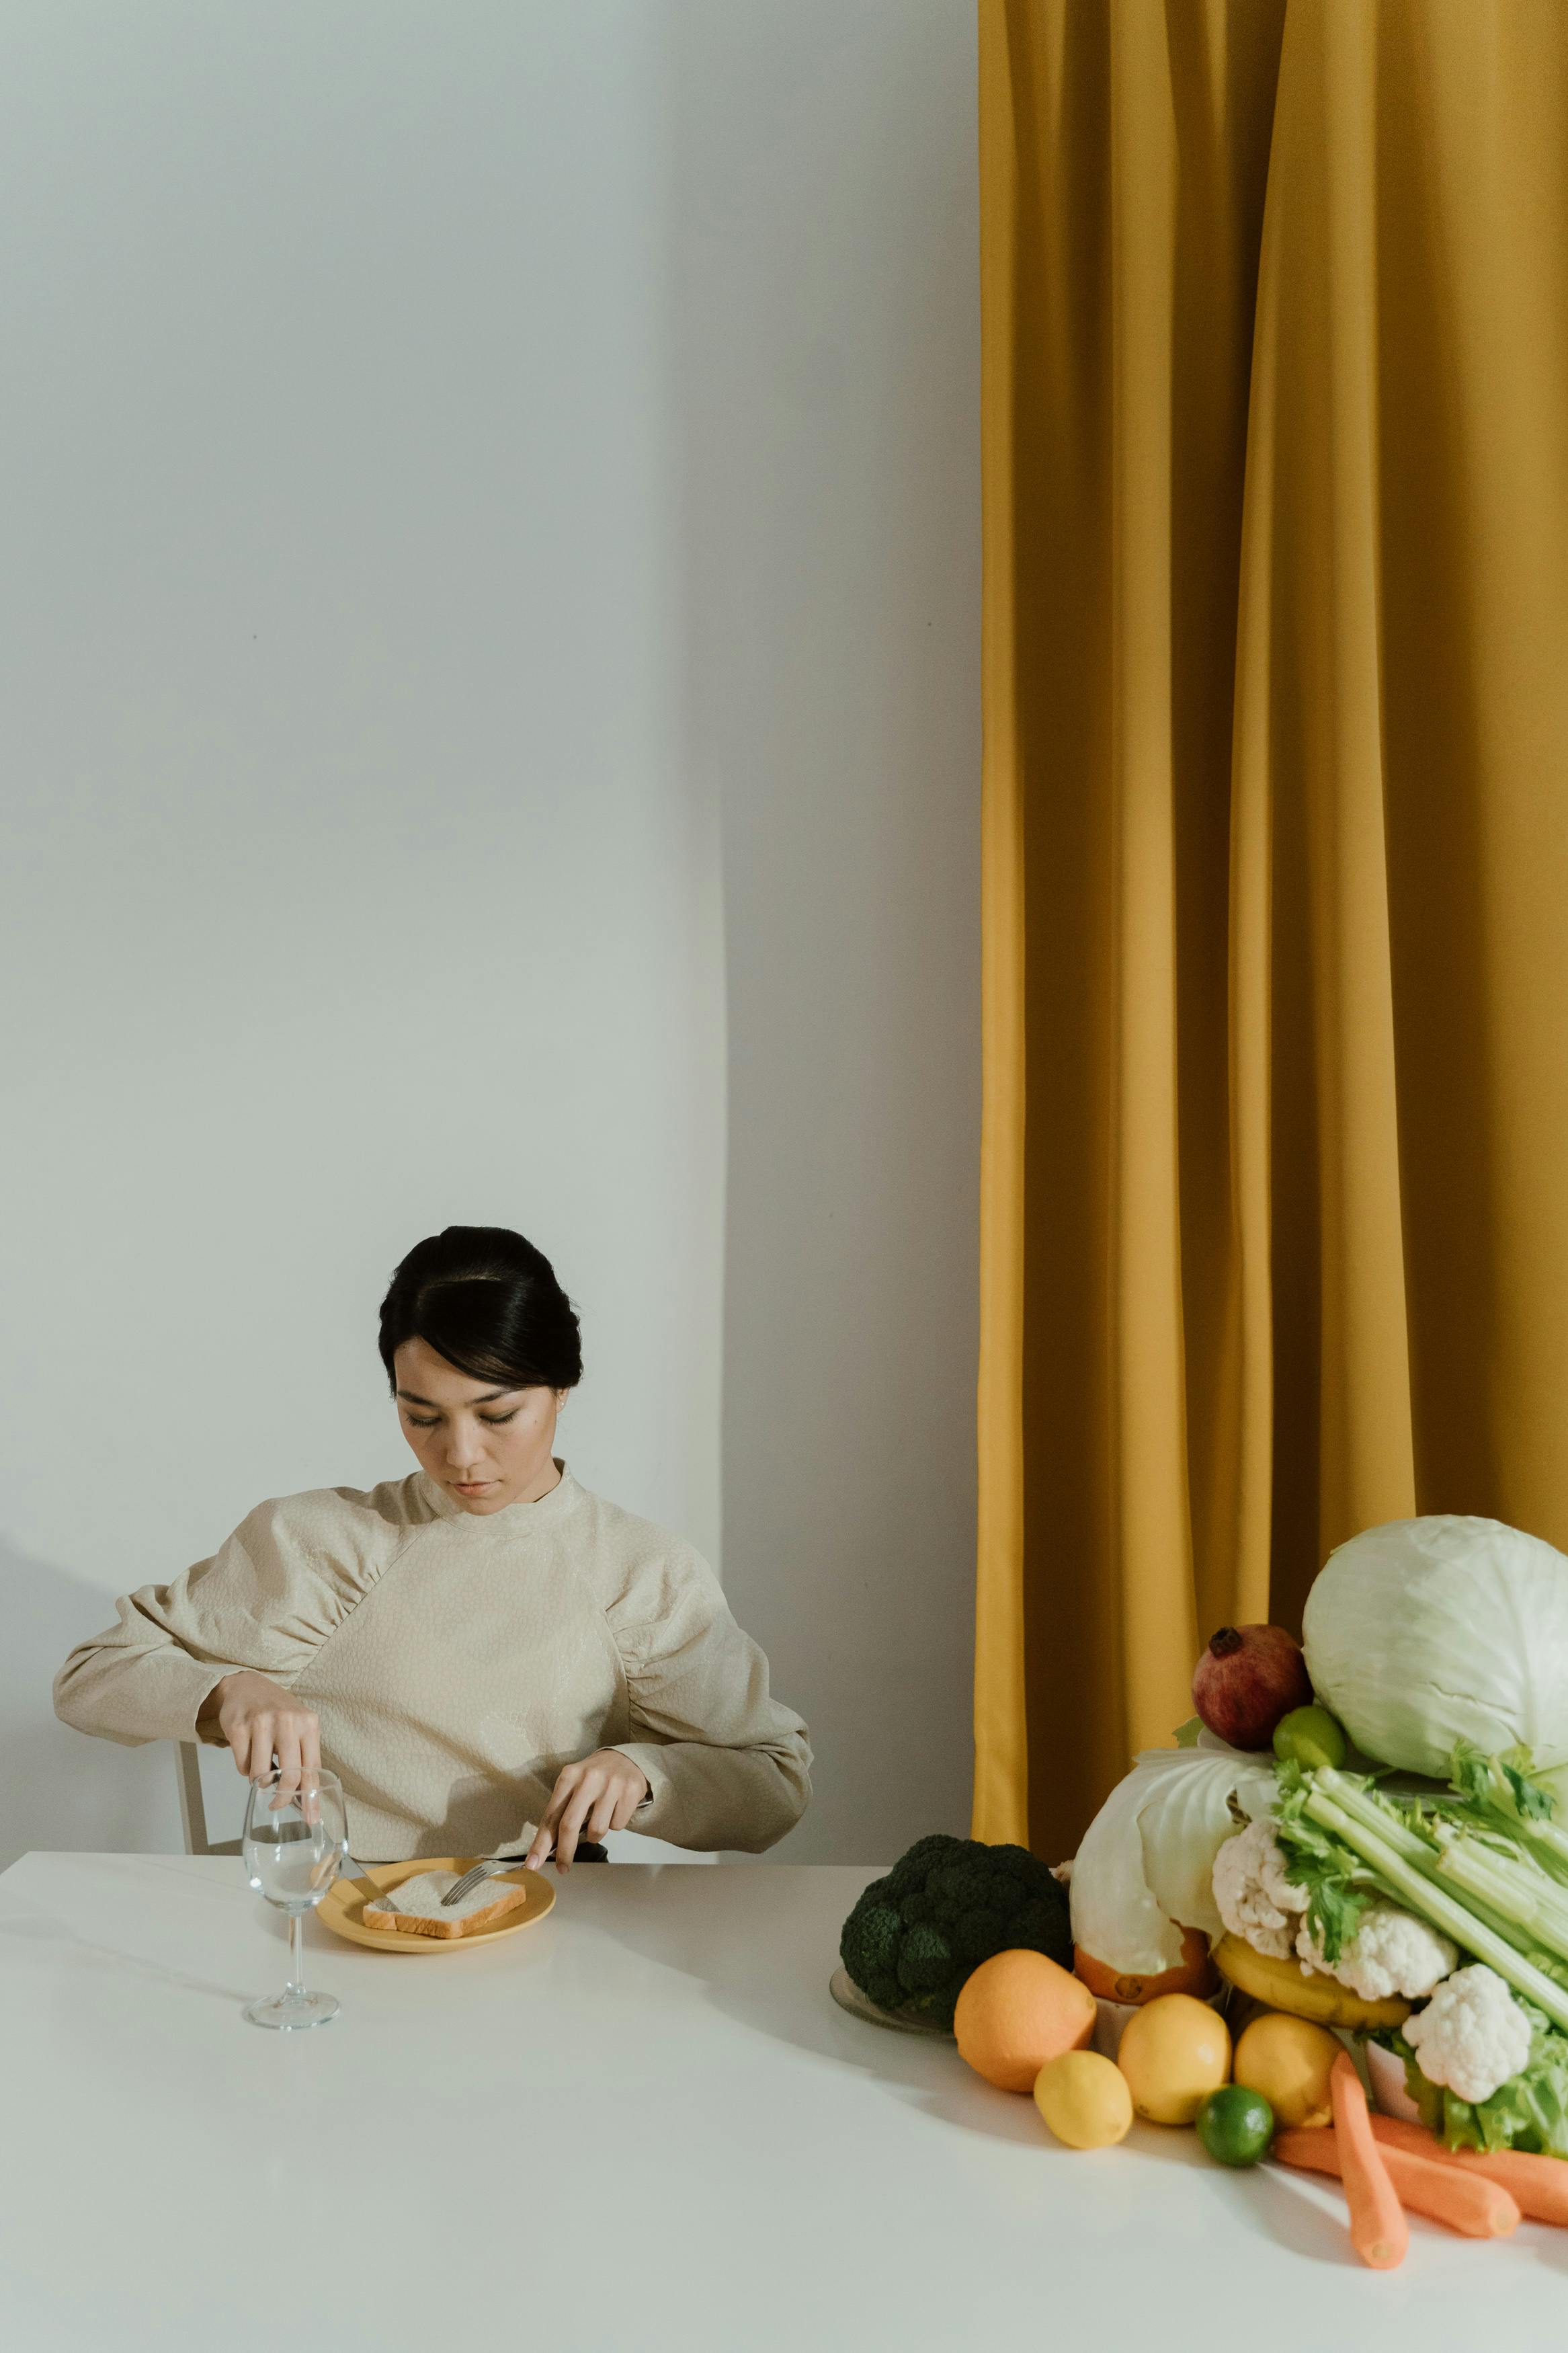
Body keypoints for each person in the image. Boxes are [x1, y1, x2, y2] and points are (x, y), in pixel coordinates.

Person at [53, 1226, 812, 1868]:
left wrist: (646, 1774)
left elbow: (774, 1781)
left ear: (560, 1388)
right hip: (334, 1916)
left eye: (497, 1413)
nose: (461, 1456)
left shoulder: (638, 1571)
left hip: (550, 1924)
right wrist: (225, 1691)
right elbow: (91, 1676)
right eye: (423, 1416)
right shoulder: (322, 1543)